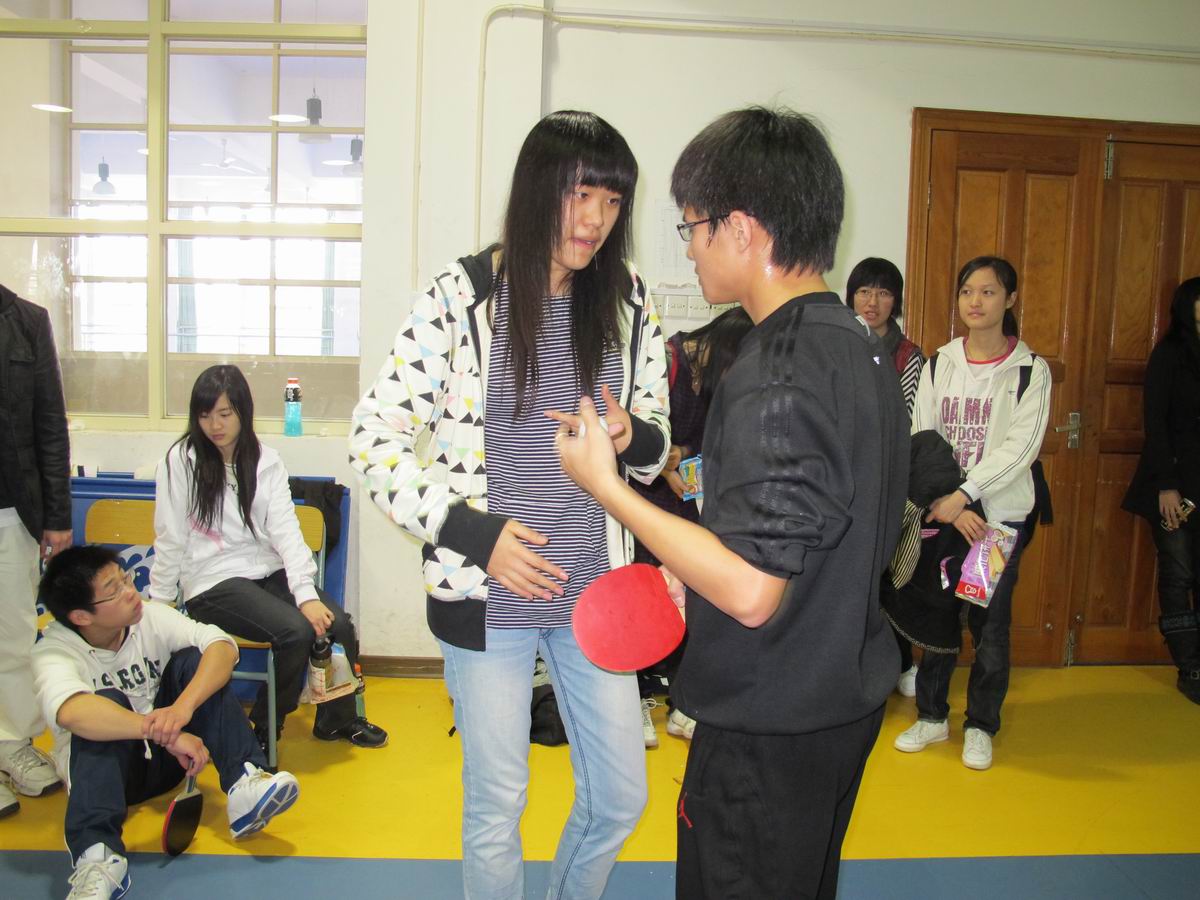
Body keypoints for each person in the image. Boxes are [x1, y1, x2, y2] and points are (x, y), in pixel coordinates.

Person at [554, 106, 908, 900]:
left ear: (740, 230)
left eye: (692, 227)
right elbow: (814, 541)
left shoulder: (774, 369)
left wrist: (606, 485)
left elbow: (751, 591)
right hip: (835, 706)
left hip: (765, 730)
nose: (689, 247)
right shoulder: (858, 349)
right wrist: (697, 575)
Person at [349, 110, 669, 899]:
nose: (594, 220)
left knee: (620, 796)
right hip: (487, 593)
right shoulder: (461, 297)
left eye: (612, 201)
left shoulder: (628, 299)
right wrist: (473, 534)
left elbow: (658, 443)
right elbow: (372, 439)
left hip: (594, 589)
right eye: (578, 195)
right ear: (536, 192)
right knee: (497, 804)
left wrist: (632, 434)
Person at [33, 544, 299, 900]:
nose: (131, 592)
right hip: (111, 777)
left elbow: (222, 647)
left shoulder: (149, 617)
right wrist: (160, 732)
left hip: (171, 764)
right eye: (114, 590)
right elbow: (72, 712)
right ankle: (99, 858)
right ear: (81, 616)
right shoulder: (53, 651)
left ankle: (244, 784)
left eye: (126, 579)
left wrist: (181, 710)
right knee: (102, 702)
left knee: (193, 659)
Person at [150, 365, 386, 754]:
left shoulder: (265, 461)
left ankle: (336, 719)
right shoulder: (181, 461)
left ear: (243, 411)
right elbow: (170, 536)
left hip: (265, 569)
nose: (215, 425)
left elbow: (286, 531)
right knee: (294, 632)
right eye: (205, 415)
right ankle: (264, 725)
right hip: (212, 581)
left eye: (224, 414)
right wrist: (159, 606)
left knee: (337, 624)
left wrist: (305, 594)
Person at [894, 255, 1051, 770]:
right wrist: (947, 500)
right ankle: (932, 716)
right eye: (967, 292)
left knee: (988, 623)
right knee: (938, 615)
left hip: (994, 524)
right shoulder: (940, 363)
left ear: (1010, 299)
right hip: (945, 513)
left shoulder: (1029, 371)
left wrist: (966, 495)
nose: (975, 302)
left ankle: (981, 724)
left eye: (988, 291)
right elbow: (924, 436)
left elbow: (1020, 448)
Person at [633, 306, 753, 747]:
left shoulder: (719, 380)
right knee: (642, 594)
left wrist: (681, 456)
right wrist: (663, 464)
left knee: (690, 594)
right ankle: (635, 701)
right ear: (725, 347)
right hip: (642, 496)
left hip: (682, 498)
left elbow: (708, 439)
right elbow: (632, 431)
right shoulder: (664, 361)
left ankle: (684, 704)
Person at [0, 282, 71, 819]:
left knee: (13, 636)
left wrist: (58, 515)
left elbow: (50, 424)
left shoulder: (26, 321)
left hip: (12, 510)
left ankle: (11, 745)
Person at [845, 257, 926, 697]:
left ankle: (901, 660)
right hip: (844, 478)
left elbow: (906, 422)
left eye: (883, 293)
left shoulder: (908, 356)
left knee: (890, 573)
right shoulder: (839, 344)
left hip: (889, 478)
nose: (872, 302)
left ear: (896, 301)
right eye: (864, 291)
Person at [1122, 276, 1200, 704]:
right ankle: (1189, 665)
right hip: (1173, 485)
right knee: (1178, 574)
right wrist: (1167, 485)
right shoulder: (1169, 355)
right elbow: (1156, 423)